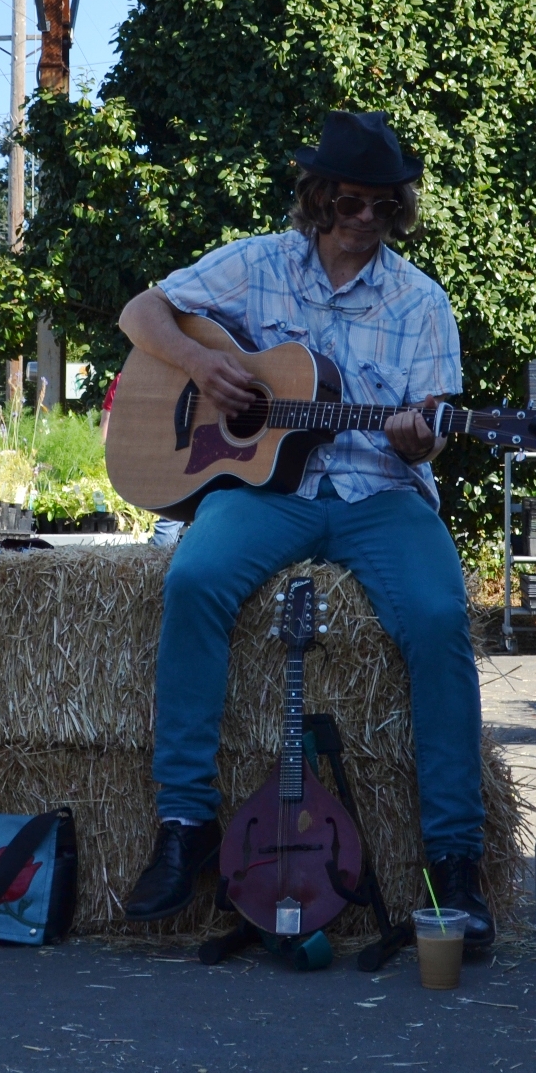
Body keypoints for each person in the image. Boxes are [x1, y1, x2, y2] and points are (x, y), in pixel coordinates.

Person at [113, 110, 495, 947]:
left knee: (440, 619)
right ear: (319, 197)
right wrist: (202, 363)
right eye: (350, 202)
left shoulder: (421, 302)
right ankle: (185, 822)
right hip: (266, 492)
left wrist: (421, 435)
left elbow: (430, 421)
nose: (365, 219)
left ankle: (455, 861)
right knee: (193, 579)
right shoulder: (255, 264)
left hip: (379, 492)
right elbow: (142, 313)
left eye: (384, 206)